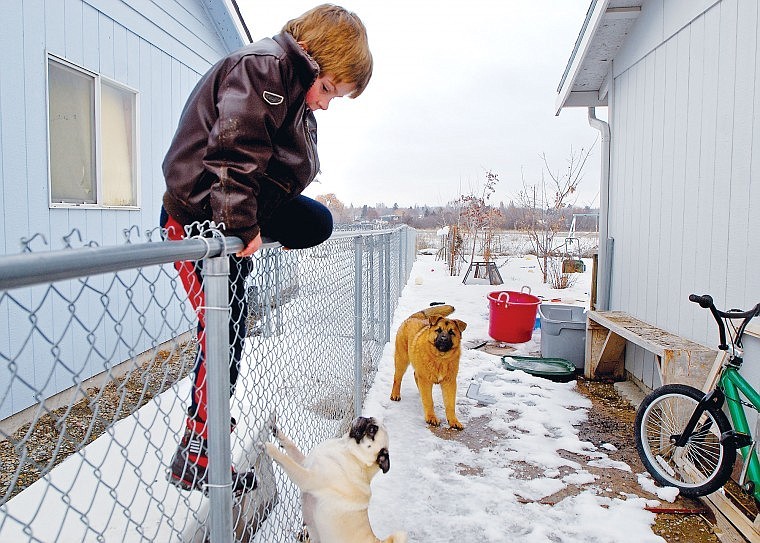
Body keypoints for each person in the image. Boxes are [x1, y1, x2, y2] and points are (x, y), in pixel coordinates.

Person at [160, 4, 372, 494]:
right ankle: (196, 452)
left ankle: (204, 445)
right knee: (222, 333)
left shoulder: (292, 90)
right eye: (330, 91)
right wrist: (239, 222)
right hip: (198, 216)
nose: (325, 105)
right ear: (316, 63)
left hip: (232, 217)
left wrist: (250, 224)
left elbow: (277, 166)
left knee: (316, 222)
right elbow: (232, 151)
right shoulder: (264, 68)